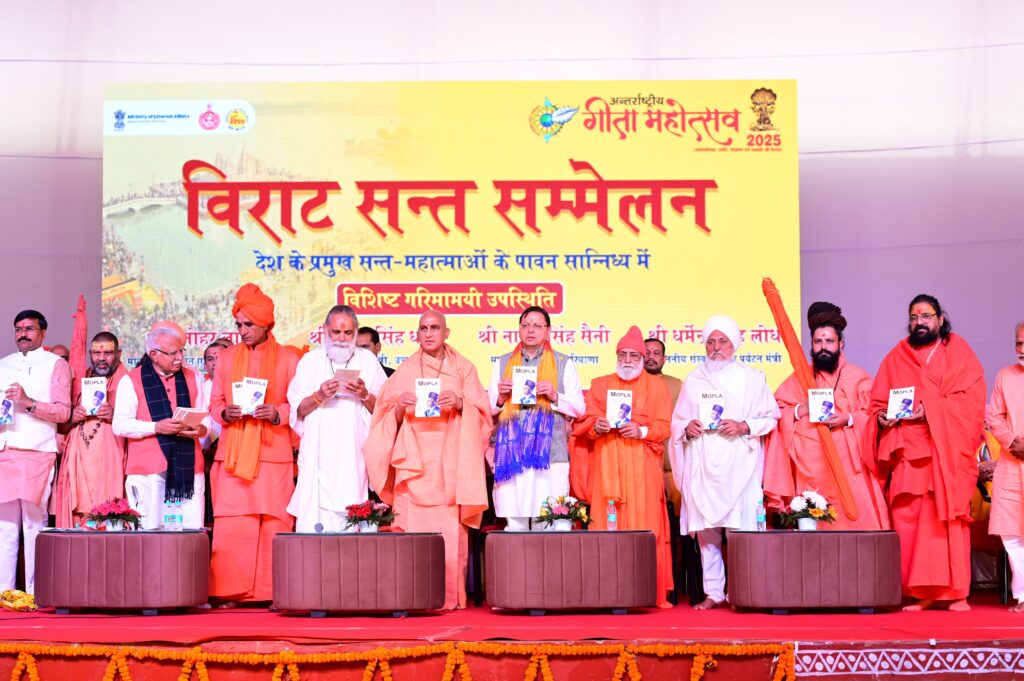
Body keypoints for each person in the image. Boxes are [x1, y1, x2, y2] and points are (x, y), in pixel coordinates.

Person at [365, 310, 491, 609]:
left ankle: (449, 597)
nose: (429, 333)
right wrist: (399, 407)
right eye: (423, 328)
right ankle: (413, 595)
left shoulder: (464, 369)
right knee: (412, 535)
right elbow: (382, 419)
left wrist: (460, 404)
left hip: (450, 465)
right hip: (413, 467)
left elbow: (483, 416)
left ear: (446, 333)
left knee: (449, 536)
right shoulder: (405, 371)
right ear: (417, 334)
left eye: (435, 328)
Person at [871, 294, 985, 611]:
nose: (919, 322)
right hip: (908, 453)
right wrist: (881, 418)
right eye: (914, 317)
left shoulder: (958, 351)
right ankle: (921, 592)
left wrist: (931, 409)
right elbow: (877, 403)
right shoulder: (897, 356)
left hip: (945, 453)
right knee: (908, 520)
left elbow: (972, 401)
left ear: (940, 319)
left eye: (926, 316)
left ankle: (956, 592)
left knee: (945, 521)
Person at [670, 315, 780, 610]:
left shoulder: (753, 379)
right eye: (711, 342)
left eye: (723, 341)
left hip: (740, 463)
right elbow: (678, 421)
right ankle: (715, 593)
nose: (716, 347)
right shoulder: (694, 380)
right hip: (703, 463)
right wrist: (687, 428)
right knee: (707, 535)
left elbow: (771, 418)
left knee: (741, 530)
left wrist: (744, 426)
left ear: (735, 345)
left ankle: (743, 591)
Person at [209, 284, 299, 606]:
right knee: (234, 523)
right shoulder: (226, 358)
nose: (243, 331)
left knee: (274, 522)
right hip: (234, 453)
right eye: (239, 325)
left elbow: (298, 405)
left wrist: (277, 413)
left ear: (266, 325)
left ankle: (272, 592)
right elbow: (215, 403)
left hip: (273, 453)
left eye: (248, 325)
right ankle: (231, 591)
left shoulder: (289, 359)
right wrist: (225, 413)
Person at [763, 302, 889, 531]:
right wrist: (802, 409)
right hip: (812, 470)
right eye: (818, 342)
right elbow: (777, 413)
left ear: (841, 344)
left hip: (850, 469)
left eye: (829, 341)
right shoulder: (799, 378)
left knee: (859, 528)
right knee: (817, 534)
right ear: (811, 345)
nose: (823, 347)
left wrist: (848, 418)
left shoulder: (857, 377)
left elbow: (873, 415)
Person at [574, 326, 674, 607]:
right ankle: (605, 593)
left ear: (642, 358)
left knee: (646, 526)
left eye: (633, 355)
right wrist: (597, 426)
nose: (627, 360)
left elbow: (665, 426)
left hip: (643, 468)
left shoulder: (657, 387)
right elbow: (584, 422)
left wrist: (641, 431)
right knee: (606, 524)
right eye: (622, 355)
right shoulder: (600, 384)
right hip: (608, 467)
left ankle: (646, 592)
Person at [287, 305, 386, 532]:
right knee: (315, 527)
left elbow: (384, 411)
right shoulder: (309, 362)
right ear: (325, 330)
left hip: (354, 456)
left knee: (351, 520)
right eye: (336, 332)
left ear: (356, 332)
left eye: (348, 333)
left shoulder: (368, 362)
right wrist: (319, 396)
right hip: (318, 457)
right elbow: (297, 410)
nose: (342, 338)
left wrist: (364, 394)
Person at [488, 306, 585, 531]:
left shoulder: (563, 363)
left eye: (537, 326)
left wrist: (554, 396)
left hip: (550, 453)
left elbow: (579, 408)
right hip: (513, 453)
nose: (530, 330)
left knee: (553, 522)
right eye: (526, 325)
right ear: (519, 329)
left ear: (548, 330)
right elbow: (489, 407)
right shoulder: (502, 363)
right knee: (515, 523)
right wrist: (501, 398)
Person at [0, 310, 71, 594]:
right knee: (5, 528)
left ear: (43, 332)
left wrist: (28, 402)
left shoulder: (56, 364)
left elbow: (63, 412)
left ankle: (34, 592)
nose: (23, 334)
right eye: (18, 329)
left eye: (29, 329)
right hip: (6, 451)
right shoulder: (4, 364)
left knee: (33, 526)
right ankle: (5, 593)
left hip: (38, 452)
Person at [112, 324, 209, 529]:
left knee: (191, 533)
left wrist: (201, 430)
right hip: (147, 472)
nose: (180, 358)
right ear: (154, 355)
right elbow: (120, 425)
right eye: (173, 353)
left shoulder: (193, 376)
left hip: (189, 470)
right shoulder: (131, 380)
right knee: (150, 533)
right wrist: (156, 427)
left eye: (181, 351)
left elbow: (205, 417)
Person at [55, 332, 129, 528]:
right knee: (81, 517)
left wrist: (116, 416)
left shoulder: (128, 381)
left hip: (111, 461)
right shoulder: (81, 379)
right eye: (96, 353)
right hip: (80, 462)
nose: (101, 358)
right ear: (90, 354)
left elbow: (141, 423)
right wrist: (73, 417)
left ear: (118, 354)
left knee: (110, 514)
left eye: (108, 353)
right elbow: (61, 426)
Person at [985, 321, 1024, 612]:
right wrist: (1012, 441)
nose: (1021, 349)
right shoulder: (1005, 375)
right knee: (1011, 534)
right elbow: (994, 416)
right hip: (1012, 462)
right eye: (1019, 343)